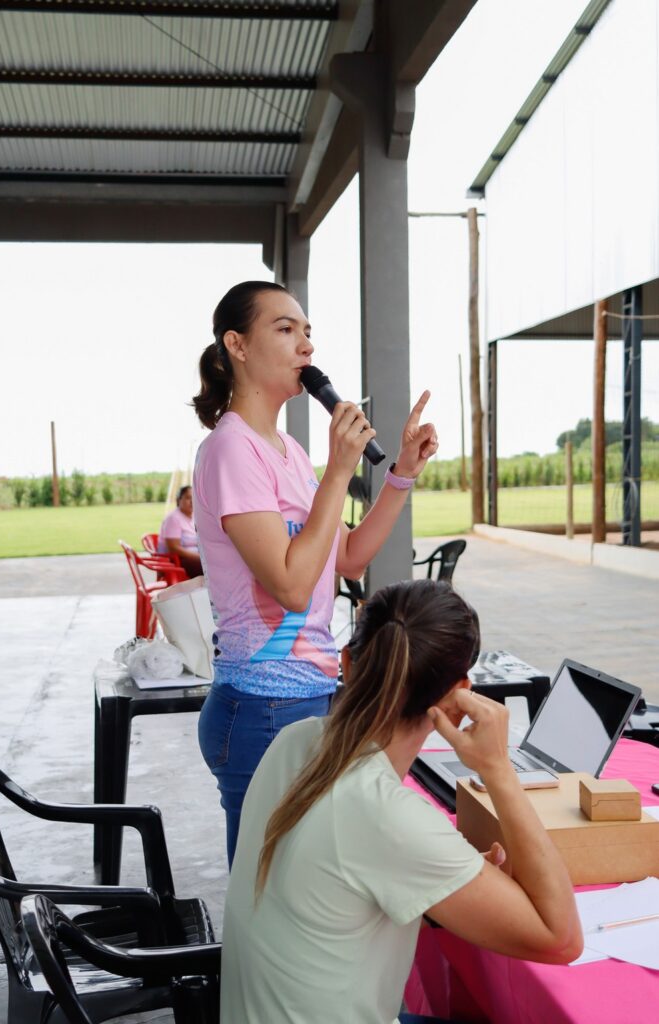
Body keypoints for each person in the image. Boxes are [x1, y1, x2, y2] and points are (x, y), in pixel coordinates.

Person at [221, 579, 583, 1024]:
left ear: (348, 663)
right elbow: (561, 939)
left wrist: (441, 886)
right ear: (458, 699)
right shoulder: (385, 813)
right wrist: (499, 770)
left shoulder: (292, 743)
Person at [192, 280, 438, 865]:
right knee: (265, 893)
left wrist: (401, 473)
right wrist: (338, 472)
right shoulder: (232, 450)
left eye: (307, 332)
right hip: (260, 707)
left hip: (310, 694)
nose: (305, 344)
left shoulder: (288, 451)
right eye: (284, 328)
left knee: (294, 881)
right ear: (238, 345)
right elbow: (293, 584)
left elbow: (346, 558)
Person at [157, 485, 203, 578]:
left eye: (194, 498)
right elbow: (174, 548)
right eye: (188, 498)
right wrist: (199, 557)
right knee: (213, 567)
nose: (192, 501)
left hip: (192, 557)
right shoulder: (173, 519)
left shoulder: (193, 517)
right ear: (178, 500)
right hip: (178, 561)